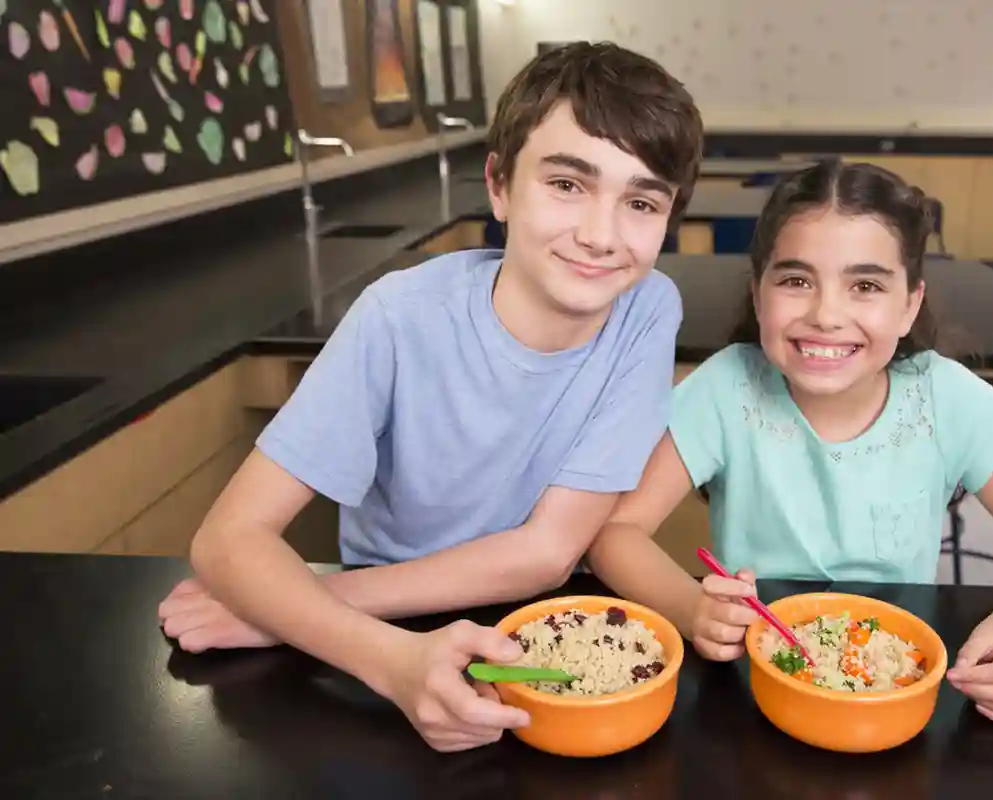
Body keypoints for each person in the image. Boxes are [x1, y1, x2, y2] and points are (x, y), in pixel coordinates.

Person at [157, 41, 704, 752]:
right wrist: (390, 657)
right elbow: (228, 540)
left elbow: (548, 552)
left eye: (640, 201)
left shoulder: (648, 307)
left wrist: (296, 605)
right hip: (381, 632)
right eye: (567, 184)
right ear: (500, 186)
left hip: (537, 631)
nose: (601, 235)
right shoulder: (398, 316)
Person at [585, 160, 993, 726]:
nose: (827, 315)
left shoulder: (946, 399)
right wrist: (691, 609)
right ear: (759, 296)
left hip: (892, 691)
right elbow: (615, 533)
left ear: (909, 304)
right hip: (755, 691)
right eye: (796, 280)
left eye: (865, 286)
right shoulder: (728, 387)